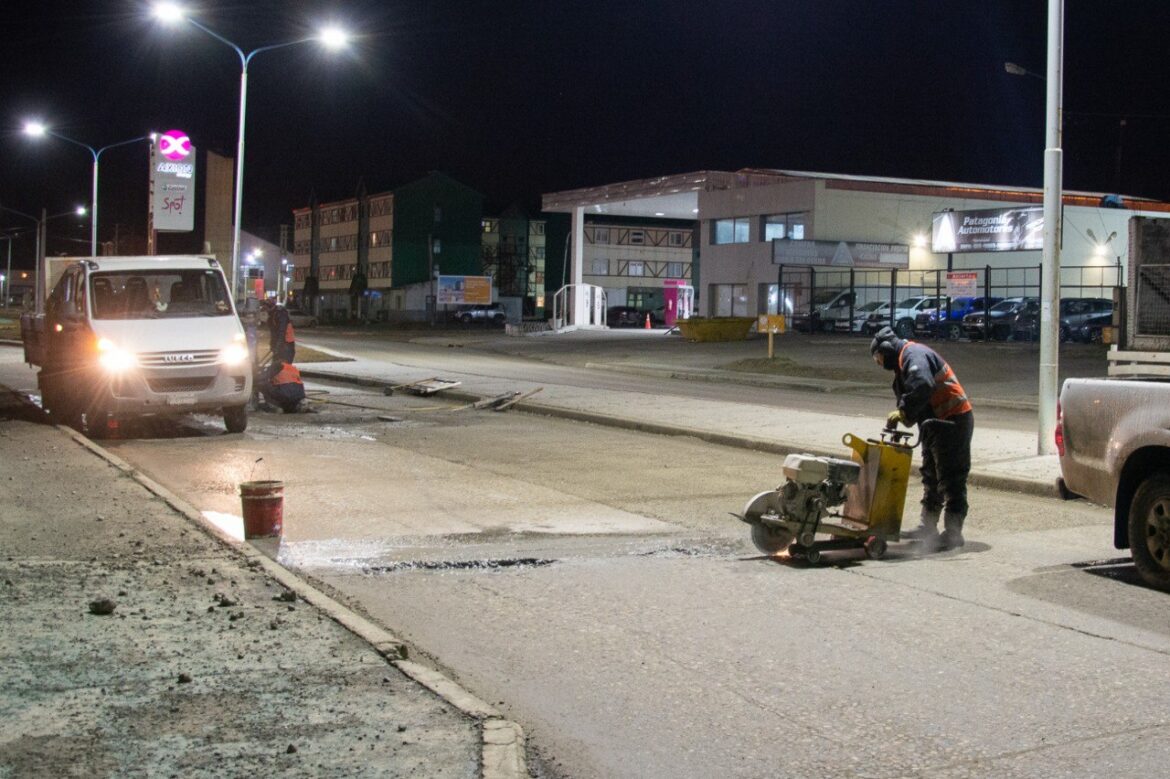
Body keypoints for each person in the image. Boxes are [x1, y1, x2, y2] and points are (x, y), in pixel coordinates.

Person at [869, 326, 974, 550]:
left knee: (951, 477)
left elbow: (922, 384)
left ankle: (953, 533)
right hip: (935, 424)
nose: (879, 363)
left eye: (878, 358)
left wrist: (904, 412)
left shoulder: (912, 355)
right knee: (931, 475)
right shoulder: (902, 365)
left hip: (953, 421)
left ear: (886, 350)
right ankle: (928, 526)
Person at [261, 298, 295, 364]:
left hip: (287, 343)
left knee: (284, 365)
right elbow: (273, 332)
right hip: (279, 342)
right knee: (275, 364)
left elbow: (282, 331)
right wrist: (272, 345)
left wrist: (278, 346)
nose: (265, 311)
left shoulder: (281, 313)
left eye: (266, 308)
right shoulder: (271, 316)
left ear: (271, 307)